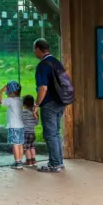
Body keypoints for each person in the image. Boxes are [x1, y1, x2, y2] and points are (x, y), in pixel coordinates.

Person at [33, 38, 73, 173]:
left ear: (38, 49)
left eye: (34, 49)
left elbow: (43, 88)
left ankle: (54, 164)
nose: (34, 52)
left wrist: (37, 104)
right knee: (55, 133)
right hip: (61, 102)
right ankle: (59, 162)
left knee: (50, 134)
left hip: (49, 103)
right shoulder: (56, 62)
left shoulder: (43, 65)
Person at [0, 80, 25, 170]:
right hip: (21, 126)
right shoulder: (20, 100)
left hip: (14, 126)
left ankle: (17, 162)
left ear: (11, 92)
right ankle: (20, 161)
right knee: (20, 144)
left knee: (15, 145)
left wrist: (1, 91)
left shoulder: (10, 100)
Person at [22, 95, 38, 166]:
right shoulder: (34, 113)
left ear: (24, 104)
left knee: (26, 148)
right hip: (32, 133)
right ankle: (33, 160)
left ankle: (28, 161)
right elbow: (36, 123)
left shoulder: (24, 112)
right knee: (32, 147)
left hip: (25, 133)